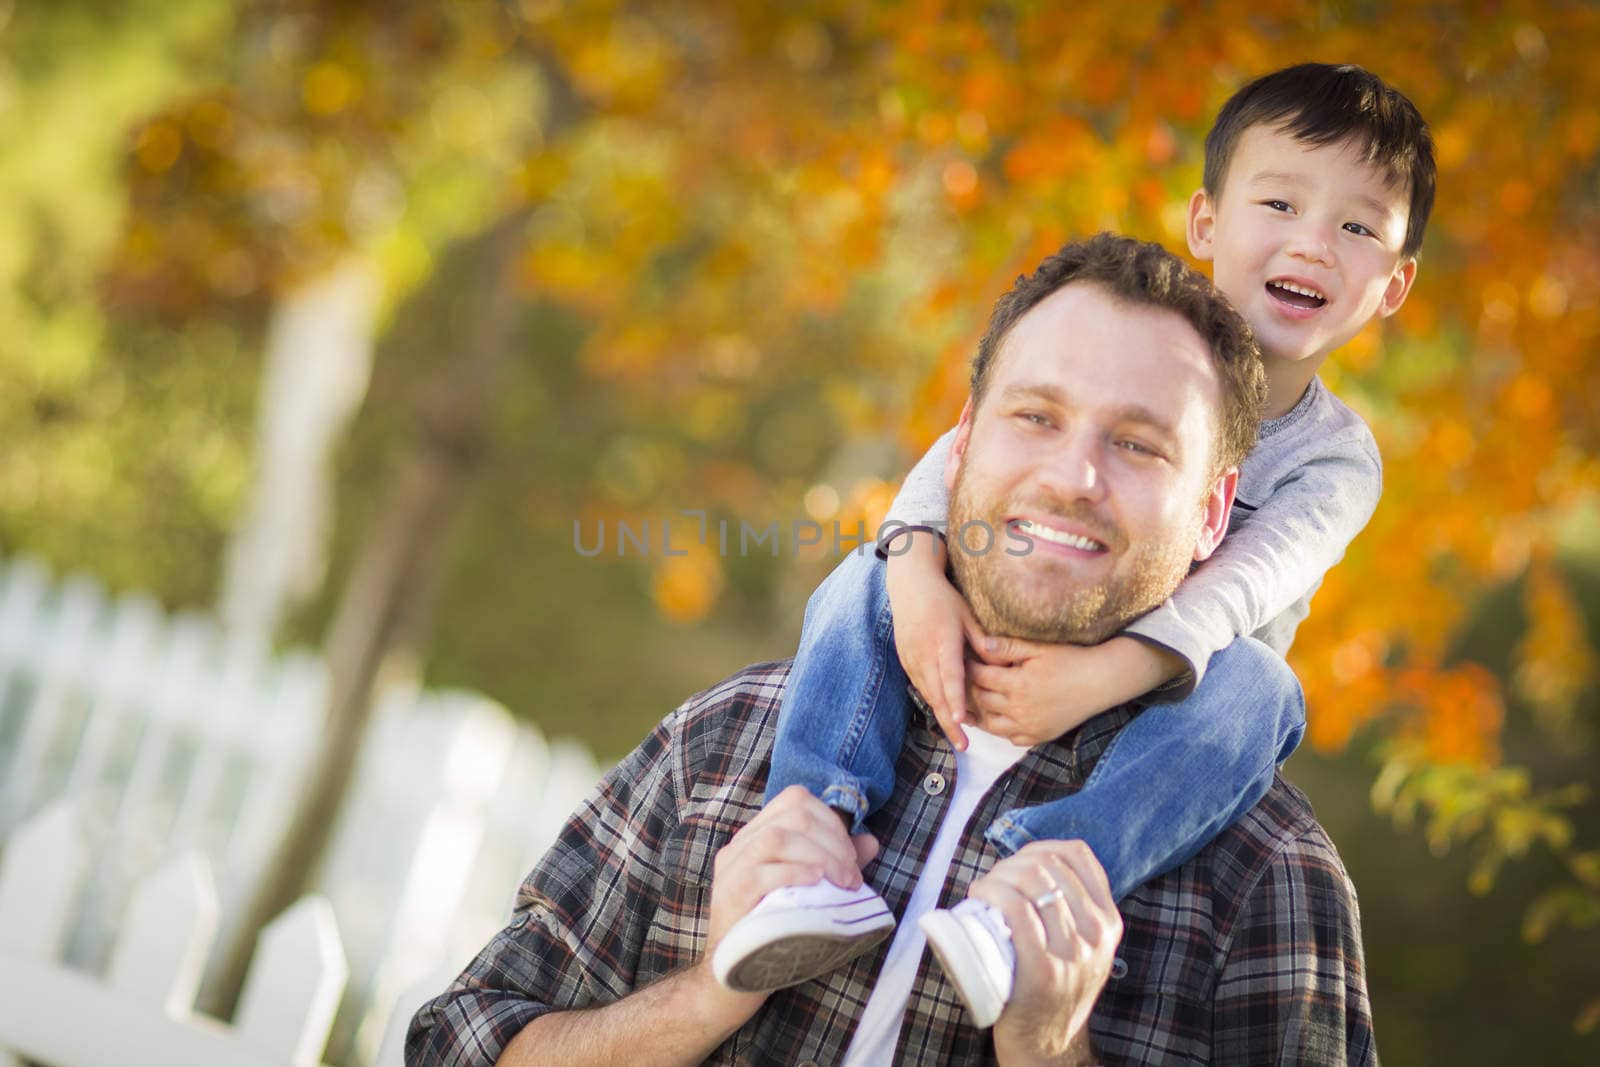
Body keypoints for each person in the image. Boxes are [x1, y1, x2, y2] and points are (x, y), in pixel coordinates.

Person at [407, 233, 1377, 1065]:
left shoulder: (1268, 873)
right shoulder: (731, 739)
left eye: (1138, 445)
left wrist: (1048, 1046)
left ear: (1214, 512)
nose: (1073, 475)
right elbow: (463, 1043)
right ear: (959, 447)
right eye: (1034, 416)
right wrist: (708, 988)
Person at [724, 62, 1432, 1026]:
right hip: (1030, 605)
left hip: (1185, 698)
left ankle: (1036, 887)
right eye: (1280, 202)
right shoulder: (1125, 328)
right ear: (1207, 225)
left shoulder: (1337, 460)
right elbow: (957, 454)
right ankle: (810, 834)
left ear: (1394, 285)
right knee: (863, 573)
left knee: (1265, 691)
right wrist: (916, 566)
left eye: (1357, 227)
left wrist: (1105, 675)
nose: (1314, 244)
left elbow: (1246, 590)